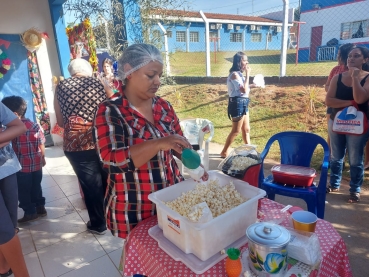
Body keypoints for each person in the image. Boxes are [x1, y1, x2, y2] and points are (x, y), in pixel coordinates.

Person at [93, 43, 209, 239]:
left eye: (159, 76)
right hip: (134, 207)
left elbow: (177, 144)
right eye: (150, 75)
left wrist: (193, 163)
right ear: (129, 72)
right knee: (142, 261)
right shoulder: (110, 110)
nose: (157, 81)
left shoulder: (164, 107)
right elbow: (111, 160)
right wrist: (158, 143)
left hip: (172, 202)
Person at [54, 58, 109, 235]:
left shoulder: (61, 87)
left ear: (71, 72)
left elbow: (61, 122)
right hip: (103, 139)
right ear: (88, 69)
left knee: (90, 184)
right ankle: (114, 215)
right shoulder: (99, 82)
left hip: (76, 143)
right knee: (109, 178)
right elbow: (115, 104)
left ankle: (98, 224)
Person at [325, 46, 369, 203]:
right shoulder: (338, 77)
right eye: (350, 56)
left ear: (365, 60)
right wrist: (349, 103)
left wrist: (356, 78)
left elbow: (360, 99)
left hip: (358, 126)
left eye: (356, 56)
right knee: (336, 156)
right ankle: (334, 183)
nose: (351, 58)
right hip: (336, 122)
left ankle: (354, 190)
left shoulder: (367, 77)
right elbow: (329, 101)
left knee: (356, 159)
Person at [2, 96, 47, 223]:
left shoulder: (12, 129)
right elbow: (41, 142)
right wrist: (42, 158)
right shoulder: (34, 125)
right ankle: (40, 208)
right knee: (36, 187)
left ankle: (30, 212)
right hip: (37, 165)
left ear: (15, 114)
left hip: (23, 168)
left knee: (23, 191)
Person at [0, 102, 30, 277]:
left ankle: (3, 267)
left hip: (7, 168)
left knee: (11, 223)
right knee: (3, 229)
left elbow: (19, 127)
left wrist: (4, 137)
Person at [220, 51, 259, 158]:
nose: (247, 62)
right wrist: (248, 74)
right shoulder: (234, 75)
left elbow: (244, 87)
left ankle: (250, 151)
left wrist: (252, 85)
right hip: (237, 103)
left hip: (243, 102)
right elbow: (243, 89)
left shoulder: (239, 75)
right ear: (239, 62)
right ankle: (224, 151)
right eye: (245, 60)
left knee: (246, 129)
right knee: (236, 131)